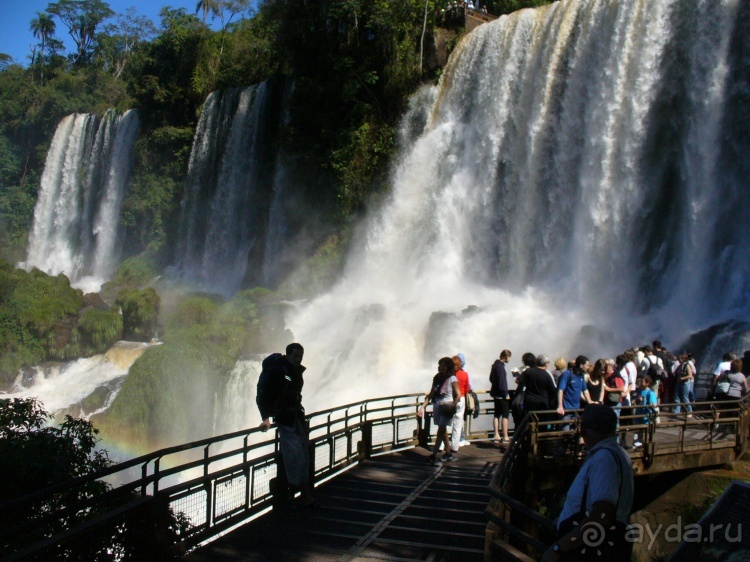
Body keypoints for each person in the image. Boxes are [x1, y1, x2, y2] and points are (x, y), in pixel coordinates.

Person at [540, 404, 634, 562]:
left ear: (586, 430)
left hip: (590, 549)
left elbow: (602, 514)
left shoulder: (604, 458)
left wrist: (559, 548)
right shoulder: (618, 453)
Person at [256, 343, 317, 508]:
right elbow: (263, 394)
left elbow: (295, 394)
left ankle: (298, 492)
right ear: (288, 355)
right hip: (285, 418)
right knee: (295, 454)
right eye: (295, 356)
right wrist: (266, 418)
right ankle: (300, 493)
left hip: (296, 416)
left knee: (302, 453)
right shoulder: (278, 371)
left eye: (300, 357)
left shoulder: (295, 372)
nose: (298, 359)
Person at [418, 357, 460, 464]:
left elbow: (458, 394)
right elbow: (431, 394)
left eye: (443, 366)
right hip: (437, 406)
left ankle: (433, 455)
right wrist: (423, 407)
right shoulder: (437, 378)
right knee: (443, 430)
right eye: (439, 366)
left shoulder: (452, 379)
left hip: (447, 407)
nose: (440, 368)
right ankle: (448, 453)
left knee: (440, 430)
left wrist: (453, 405)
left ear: (448, 367)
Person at [557, 356, 593, 429]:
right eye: (587, 365)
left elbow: (585, 390)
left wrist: (590, 402)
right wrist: (560, 406)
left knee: (575, 433)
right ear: (581, 365)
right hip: (566, 410)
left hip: (577, 410)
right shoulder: (568, 374)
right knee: (565, 432)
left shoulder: (581, 375)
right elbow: (560, 390)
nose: (588, 368)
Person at [520, 354, 558, 423]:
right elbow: (553, 390)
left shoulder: (528, 371)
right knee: (541, 423)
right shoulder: (547, 374)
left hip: (529, 402)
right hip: (542, 404)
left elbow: (520, 382)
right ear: (546, 364)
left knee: (529, 422)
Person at [490, 349, 512, 445]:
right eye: (509, 357)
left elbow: (491, 378)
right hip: (501, 395)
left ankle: (496, 435)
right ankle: (505, 436)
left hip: (495, 394)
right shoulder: (500, 367)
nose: (509, 359)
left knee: (496, 414)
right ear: (506, 356)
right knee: (505, 415)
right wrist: (505, 394)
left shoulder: (495, 365)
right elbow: (502, 382)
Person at [450, 355, 470, 454]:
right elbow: (467, 389)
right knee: (458, 424)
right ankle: (454, 446)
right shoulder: (465, 374)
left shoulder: (450, 375)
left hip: (451, 398)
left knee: (445, 423)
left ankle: (441, 445)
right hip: (461, 399)